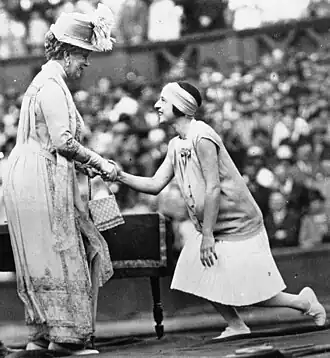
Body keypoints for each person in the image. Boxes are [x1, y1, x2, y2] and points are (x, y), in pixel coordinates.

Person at [111, 81, 326, 339]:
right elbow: (155, 184)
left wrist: (208, 237)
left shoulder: (202, 135)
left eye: (163, 101)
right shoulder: (175, 145)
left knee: (250, 291)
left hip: (239, 223)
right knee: (195, 272)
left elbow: (213, 188)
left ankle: (303, 303)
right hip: (212, 226)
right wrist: (118, 175)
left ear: (179, 106)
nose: (157, 105)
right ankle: (236, 324)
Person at [3, 3, 118, 355]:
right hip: (39, 177)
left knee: (43, 255)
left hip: (28, 174)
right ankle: (66, 339)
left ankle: (43, 335)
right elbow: (63, 142)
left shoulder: (47, 81)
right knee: (62, 249)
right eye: (83, 55)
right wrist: (99, 162)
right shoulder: (52, 84)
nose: (85, 63)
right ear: (67, 53)